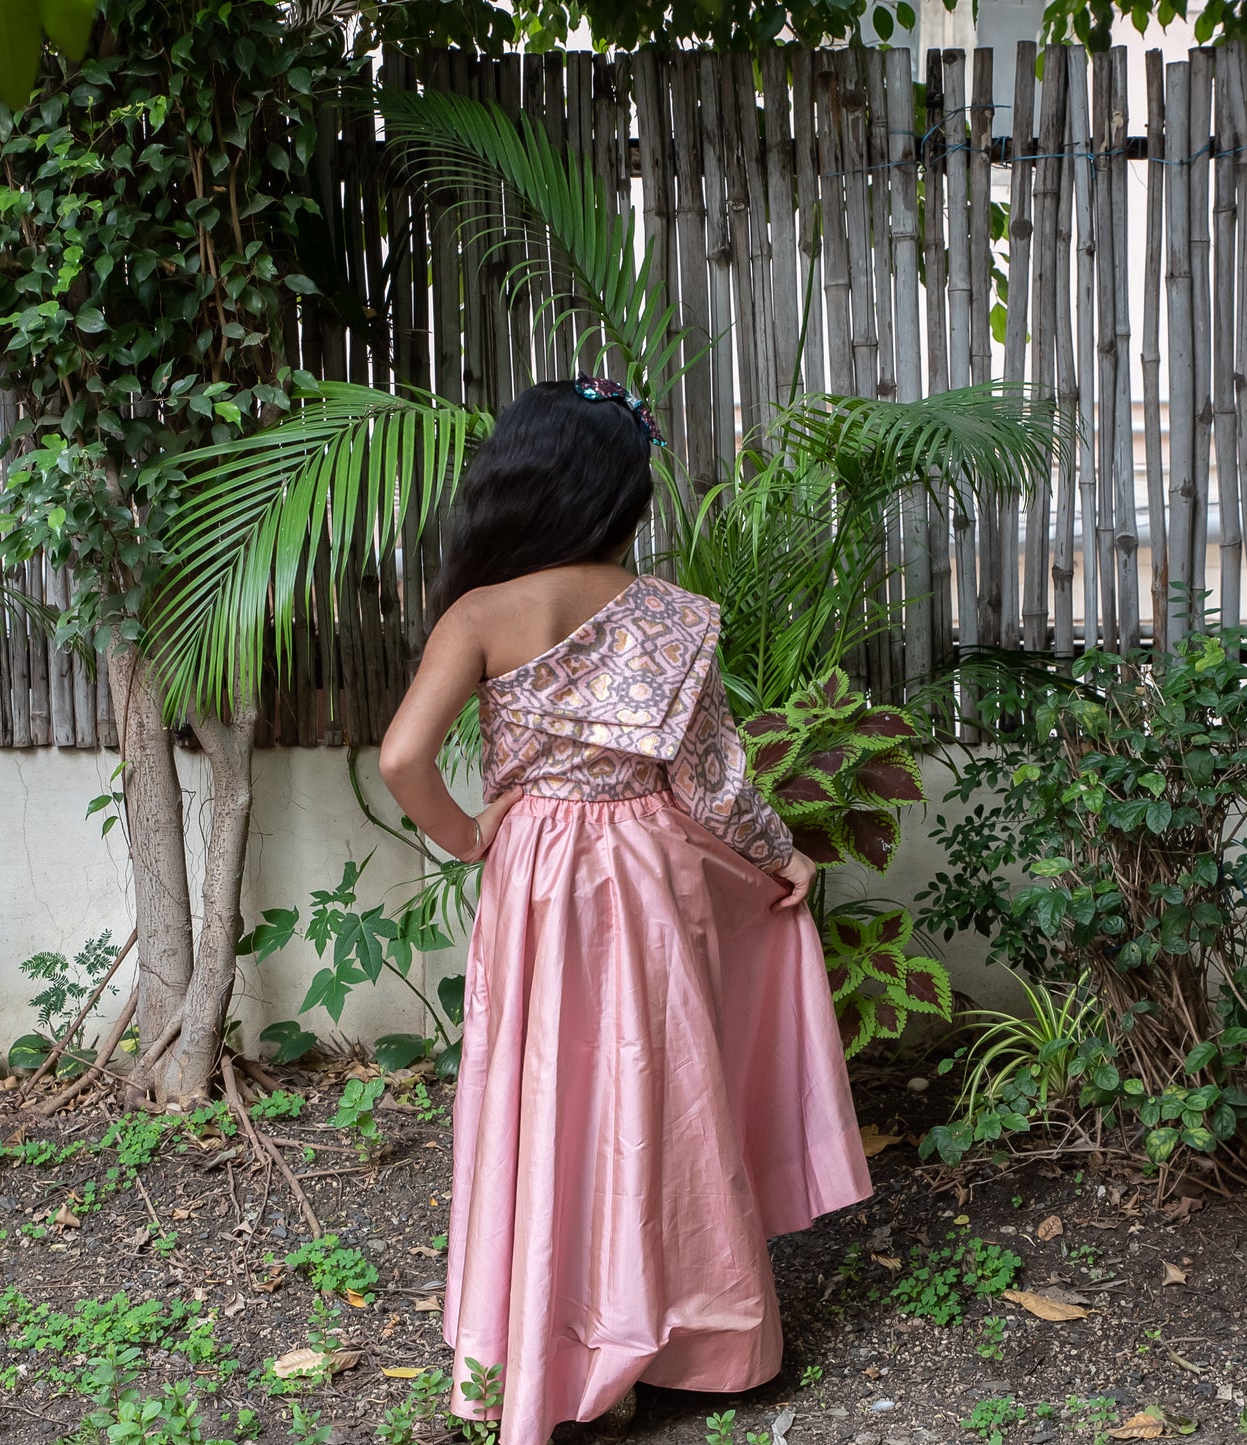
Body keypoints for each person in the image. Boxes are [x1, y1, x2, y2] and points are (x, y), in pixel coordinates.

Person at [378, 378, 872, 1445]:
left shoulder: (479, 613)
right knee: (665, 1081)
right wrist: (780, 858)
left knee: (541, 1084)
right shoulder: (674, 615)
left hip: (536, 874)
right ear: (619, 490)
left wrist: (468, 833)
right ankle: (697, 1336)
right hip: (650, 865)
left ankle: (546, 1339)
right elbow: (709, 783)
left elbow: (400, 755)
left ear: (514, 482)